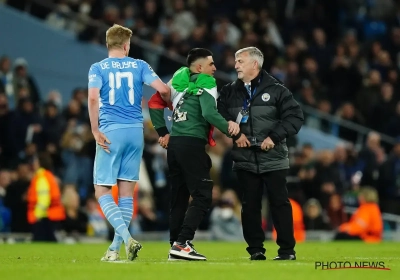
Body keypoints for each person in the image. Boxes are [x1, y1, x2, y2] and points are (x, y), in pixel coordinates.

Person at [148, 48, 240, 260]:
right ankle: (182, 243)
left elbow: (154, 103)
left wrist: (163, 132)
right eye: (211, 64)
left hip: (175, 145)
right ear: (200, 67)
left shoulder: (177, 81)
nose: (215, 68)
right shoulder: (207, 82)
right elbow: (209, 113)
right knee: (203, 194)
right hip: (192, 144)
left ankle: (174, 246)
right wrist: (229, 128)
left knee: (179, 197)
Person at [87, 24, 169, 262]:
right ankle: (114, 249)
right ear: (126, 45)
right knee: (125, 193)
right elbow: (163, 89)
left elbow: (93, 98)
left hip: (111, 131)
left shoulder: (98, 68)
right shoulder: (140, 65)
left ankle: (127, 237)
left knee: (101, 189)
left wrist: (95, 130)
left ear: (107, 45)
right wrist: (166, 105)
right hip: (136, 132)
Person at [217, 47, 304, 260]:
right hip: (245, 156)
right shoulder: (229, 91)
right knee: (250, 205)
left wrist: (273, 137)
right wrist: (231, 129)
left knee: (279, 203)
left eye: (240, 61)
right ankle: (255, 250)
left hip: (273, 156)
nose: (235, 65)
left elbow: (295, 117)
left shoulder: (277, 89)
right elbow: (218, 113)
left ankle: (286, 251)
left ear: (254, 64)